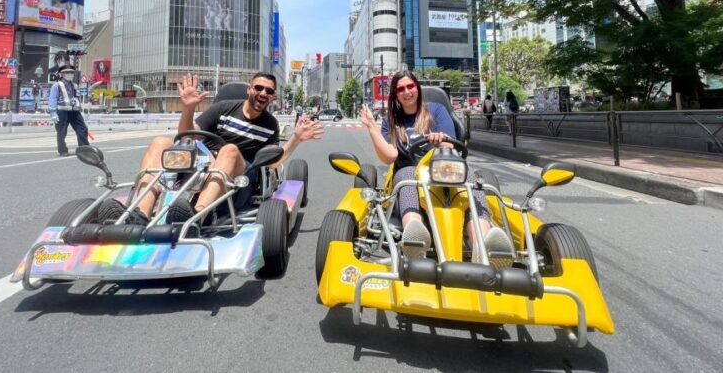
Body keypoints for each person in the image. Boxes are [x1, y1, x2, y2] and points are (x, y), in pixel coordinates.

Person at [98, 72, 323, 225]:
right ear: (249, 90)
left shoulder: (270, 125)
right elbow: (187, 135)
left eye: (269, 91)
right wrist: (188, 109)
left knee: (230, 150)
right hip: (200, 166)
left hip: (238, 179)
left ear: (272, 97)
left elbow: (273, 164)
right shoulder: (223, 109)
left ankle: (197, 216)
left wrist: (295, 139)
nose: (263, 93)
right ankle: (141, 214)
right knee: (161, 142)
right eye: (258, 88)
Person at [359, 70, 512, 261]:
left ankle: (482, 244)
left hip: (444, 171)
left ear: (417, 88)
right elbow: (390, 156)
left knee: (472, 180)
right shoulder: (391, 120)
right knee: (406, 175)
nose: (407, 92)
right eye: (401, 89)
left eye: (410, 86)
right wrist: (372, 128)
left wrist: (441, 140)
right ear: (395, 94)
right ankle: (414, 237)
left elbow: (451, 144)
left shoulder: (436, 110)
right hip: (412, 174)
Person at [48, 65, 89, 157]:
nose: (69, 74)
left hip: (74, 111)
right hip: (62, 111)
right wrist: (53, 113)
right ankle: (62, 150)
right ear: (62, 74)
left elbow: (75, 97)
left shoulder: (74, 85)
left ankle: (84, 148)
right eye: (67, 72)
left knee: (82, 129)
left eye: (71, 72)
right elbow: (52, 99)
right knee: (62, 131)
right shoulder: (57, 85)